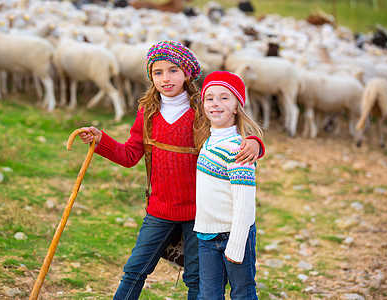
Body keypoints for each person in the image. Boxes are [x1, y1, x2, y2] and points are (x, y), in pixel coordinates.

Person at [78, 40, 265, 300]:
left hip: (197, 213)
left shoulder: (202, 110)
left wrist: (256, 142)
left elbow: (232, 132)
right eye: (158, 72)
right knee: (134, 269)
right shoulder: (148, 112)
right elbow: (130, 154)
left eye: (173, 70)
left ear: (187, 73)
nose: (166, 78)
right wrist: (101, 141)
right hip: (160, 209)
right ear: (150, 76)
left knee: (197, 279)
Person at [194, 71, 263, 300]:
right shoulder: (208, 142)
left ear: (236, 107)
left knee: (243, 294)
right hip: (206, 235)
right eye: (210, 98)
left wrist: (236, 243)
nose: (215, 103)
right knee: (208, 296)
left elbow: (244, 201)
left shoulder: (238, 149)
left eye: (224, 97)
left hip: (234, 235)